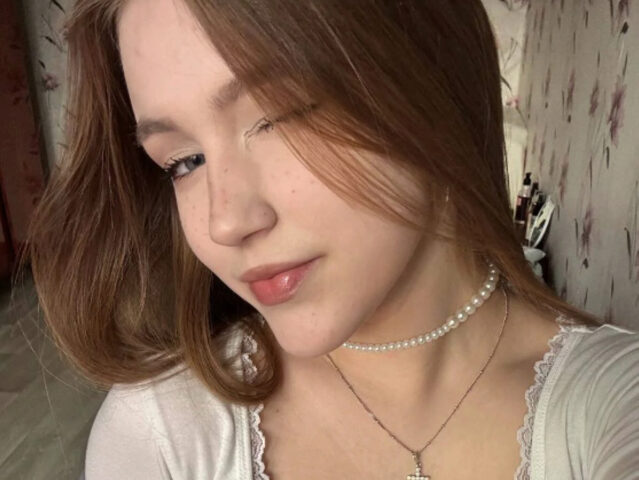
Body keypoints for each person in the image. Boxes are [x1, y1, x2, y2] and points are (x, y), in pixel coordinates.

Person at [23, 0, 639, 478]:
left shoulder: (609, 403)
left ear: (429, 72)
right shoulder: (163, 431)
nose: (224, 222)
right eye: (184, 161)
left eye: (280, 116)